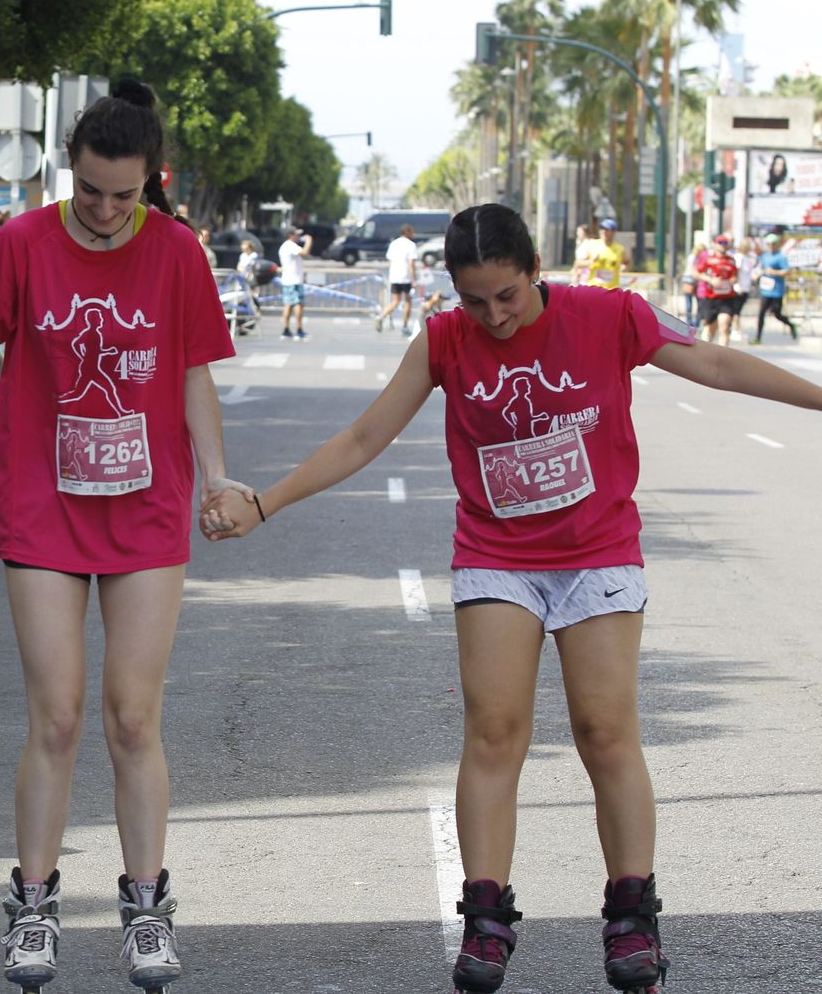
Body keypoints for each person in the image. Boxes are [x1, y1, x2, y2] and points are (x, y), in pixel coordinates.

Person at [200, 202, 822, 994]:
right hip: (498, 555)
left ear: (537, 271)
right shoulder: (444, 340)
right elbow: (363, 437)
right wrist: (267, 502)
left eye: (509, 296)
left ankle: (632, 915)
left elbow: (719, 364)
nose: (493, 316)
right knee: (494, 731)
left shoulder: (611, 315)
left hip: (597, 550)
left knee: (605, 731)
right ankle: (486, 919)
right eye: (474, 300)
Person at [0, 77, 244, 991]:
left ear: (148, 182)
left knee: (133, 716)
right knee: (57, 715)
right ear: (69, 170)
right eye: (89, 191)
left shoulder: (175, 252)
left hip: (149, 506)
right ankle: (36, 907)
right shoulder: (23, 242)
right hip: (43, 504)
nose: (104, 212)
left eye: (124, 196)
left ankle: (145, 909)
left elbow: (197, 372)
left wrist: (215, 477)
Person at [754, 233, 799, 344]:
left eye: (773, 243)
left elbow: (787, 271)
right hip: (766, 290)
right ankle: (758, 337)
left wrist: (774, 272)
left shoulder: (781, 256)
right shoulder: (764, 256)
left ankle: (791, 325)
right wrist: (758, 273)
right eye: (769, 243)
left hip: (777, 291)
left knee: (777, 314)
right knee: (761, 313)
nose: (771, 246)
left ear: (777, 244)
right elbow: (760, 267)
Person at [695, 235, 739, 346]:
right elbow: (696, 273)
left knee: (724, 324)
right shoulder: (708, 259)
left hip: (727, 297)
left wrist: (733, 280)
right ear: (714, 244)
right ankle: (706, 350)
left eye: (725, 242)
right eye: (720, 242)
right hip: (710, 297)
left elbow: (735, 275)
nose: (723, 245)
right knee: (710, 328)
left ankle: (723, 355)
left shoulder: (731, 260)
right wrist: (710, 280)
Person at [376, 224, 419, 335]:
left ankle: (381, 316)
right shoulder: (411, 245)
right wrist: (414, 279)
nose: (413, 234)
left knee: (395, 301)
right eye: (412, 232)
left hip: (394, 276)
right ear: (407, 232)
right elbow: (411, 264)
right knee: (408, 301)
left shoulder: (393, 244)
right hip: (406, 278)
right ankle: (404, 326)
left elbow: (390, 260)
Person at [574, 218, 629, 289]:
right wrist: (591, 262)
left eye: (606, 229)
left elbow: (627, 262)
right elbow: (578, 263)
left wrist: (625, 267)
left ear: (613, 232)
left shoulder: (620, 249)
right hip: (594, 289)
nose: (603, 231)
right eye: (601, 229)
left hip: (611, 290)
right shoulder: (592, 245)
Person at [278, 229, 311, 340]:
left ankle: (286, 329)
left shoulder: (285, 246)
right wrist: (309, 241)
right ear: (291, 235)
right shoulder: (290, 245)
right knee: (298, 304)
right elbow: (304, 253)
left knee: (288, 304)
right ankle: (299, 329)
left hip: (289, 279)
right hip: (294, 280)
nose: (299, 236)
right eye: (297, 234)